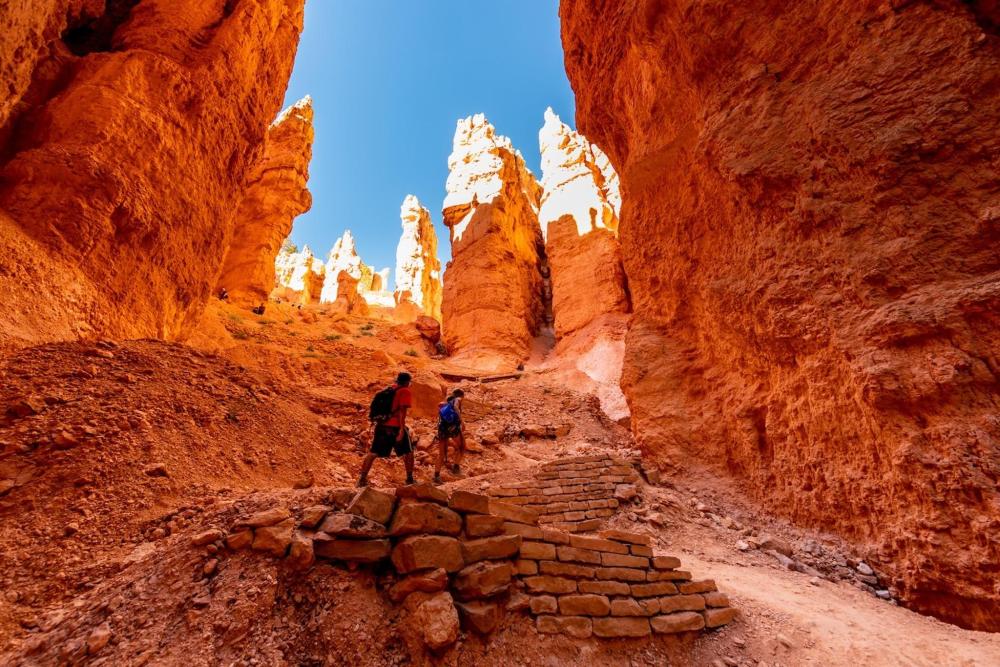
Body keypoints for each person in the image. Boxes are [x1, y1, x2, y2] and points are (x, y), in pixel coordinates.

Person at [357, 372, 415, 487]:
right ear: (407, 382)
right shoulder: (405, 391)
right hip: (395, 426)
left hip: (382, 425)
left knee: (373, 452)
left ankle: (362, 479)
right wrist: (401, 430)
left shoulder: (390, 389)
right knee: (408, 452)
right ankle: (409, 479)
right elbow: (402, 412)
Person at [433, 389, 466, 484]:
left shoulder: (446, 402)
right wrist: (462, 421)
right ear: (461, 395)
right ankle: (456, 468)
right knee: (462, 446)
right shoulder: (458, 399)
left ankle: (436, 476)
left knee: (442, 453)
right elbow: (456, 407)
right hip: (453, 428)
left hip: (442, 428)